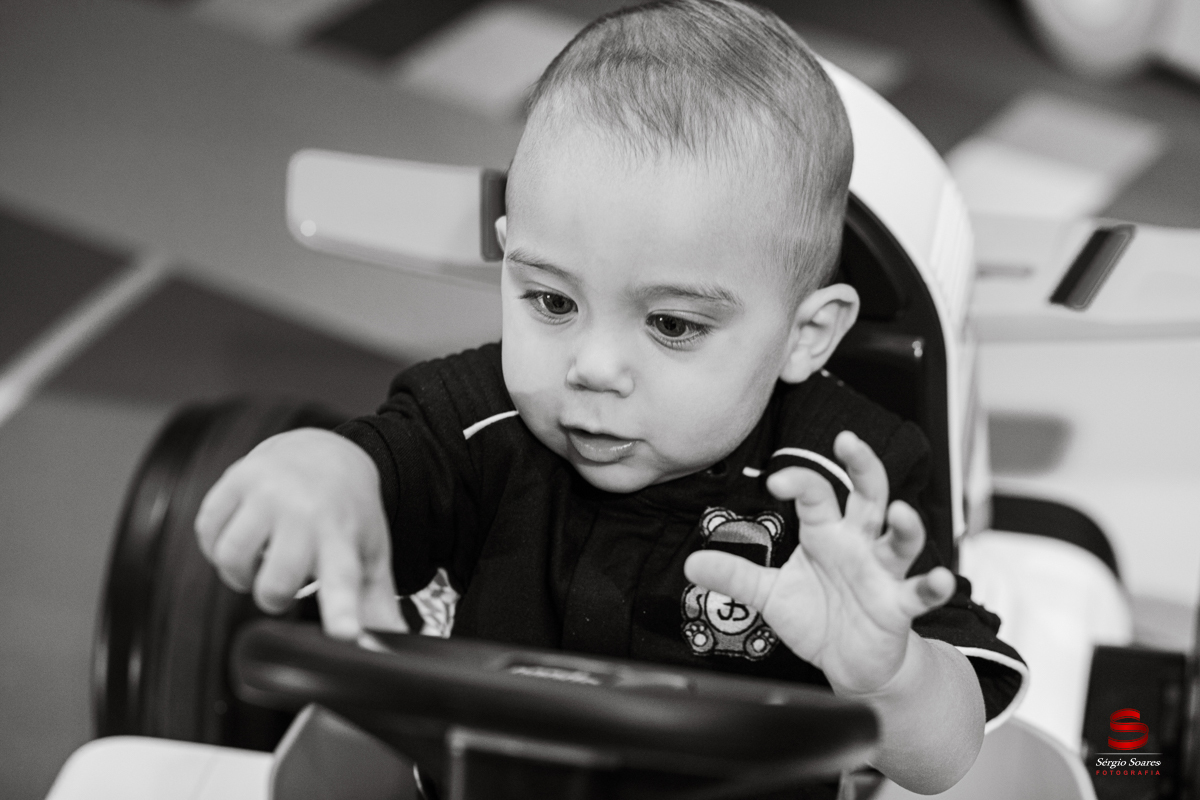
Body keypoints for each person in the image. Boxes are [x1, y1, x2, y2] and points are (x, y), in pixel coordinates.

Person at [194, 0, 1024, 793]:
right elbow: (374, 467)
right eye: (553, 302)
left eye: (671, 324)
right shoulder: (476, 422)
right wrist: (318, 467)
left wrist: (886, 673)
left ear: (806, 335)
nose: (592, 367)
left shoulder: (841, 491)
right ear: (508, 258)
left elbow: (944, 760)